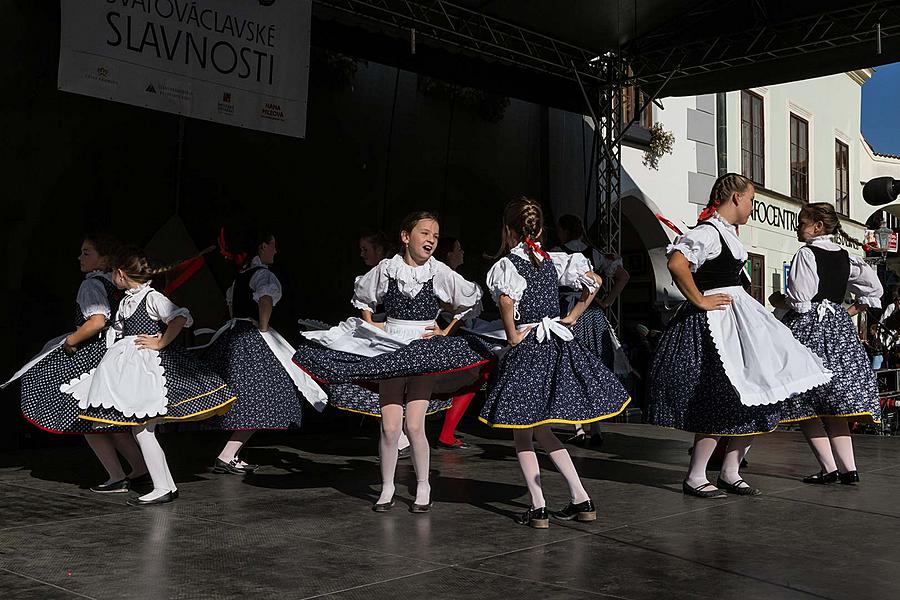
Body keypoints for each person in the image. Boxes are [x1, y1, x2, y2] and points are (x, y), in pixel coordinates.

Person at [294, 212, 494, 513]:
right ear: (405, 237)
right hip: (391, 345)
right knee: (389, 427)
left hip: (424, 349)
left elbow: (467, 298)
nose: (431, 240)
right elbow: (364, 296)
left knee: (414, 426)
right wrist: (372, 325)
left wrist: (444, 328)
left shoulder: (438, 271)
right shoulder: (387, 269)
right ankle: (387, 487)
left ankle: (423, 485)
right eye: (425, 233)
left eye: (436, 236)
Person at [647, 173, 832, 498]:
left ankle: (730, 471)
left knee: (761, 391)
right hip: (718, 323)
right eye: (750, 200)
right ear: (735, 198)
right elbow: (678, 264)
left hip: (738, 319)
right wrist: (700, 299)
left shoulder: (727, 233)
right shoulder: (708, 232)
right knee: (720, 397)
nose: (751, 207)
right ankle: (696, 476)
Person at [479, 197, 630, 528]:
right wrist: (572, 317)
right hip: (554, 345)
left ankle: (539, 507)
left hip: (529, 347)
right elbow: (596, 282)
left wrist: (512, 335)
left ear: (508, 231)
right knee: (544, 432)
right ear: (539, 229)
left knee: (523, 433)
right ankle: (581, 498)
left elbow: (506, 300)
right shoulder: (553, 261)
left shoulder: (509, 265)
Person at [63, 247, 236, 505]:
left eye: (113, 272)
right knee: (141, 430)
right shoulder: (126, 300)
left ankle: (163, 487)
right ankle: (165, 485)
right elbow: (118, 332)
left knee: (143, 429)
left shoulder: (152, 297)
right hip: (129, 367)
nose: (111, 276)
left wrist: (161, 342)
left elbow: (179, 317)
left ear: (121, 274)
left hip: (147, 368)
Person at [2, 235, 148, 493]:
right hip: (114, 353)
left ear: (104, 258)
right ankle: (139, 469)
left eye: (86, 253)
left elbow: (97, 320)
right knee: (109, 420)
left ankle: (116, 476)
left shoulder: (91, 285)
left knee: (85, 416)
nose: (80, 258)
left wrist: (71, 340)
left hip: (94, 354)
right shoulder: (115, 284)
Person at [197, 228, 327, 474]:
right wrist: (264, 328)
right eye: (272, 245)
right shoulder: (262, 275)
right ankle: (227, 454)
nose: (275, 251)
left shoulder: (240, 277)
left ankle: (229, 453)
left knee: (250, 395)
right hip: (250, 337)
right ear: (262, 248)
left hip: (235, 334)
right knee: (265, 394)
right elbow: (265, 300)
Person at [770, 202, 882, 485]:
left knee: (804, 401)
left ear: (817, 226)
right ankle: (849, 469)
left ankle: (829, 468)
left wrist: (779, 301)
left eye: (802, 222)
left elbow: (801, 302)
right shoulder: (847, 256)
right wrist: (849, 311)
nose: (798, 226)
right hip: (838, 329)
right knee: (835, 404)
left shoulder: (806, 254)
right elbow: (874, 290)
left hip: (810, 330)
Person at [552, 214, 632, 448]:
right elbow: (623, 276)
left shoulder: (557, 252)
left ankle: (578, 427)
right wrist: (606, 301)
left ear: (565, 231)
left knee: (571, 367)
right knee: (593, 367)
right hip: (592, 312)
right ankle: (595, 428)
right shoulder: (595, 252)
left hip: (568, 311)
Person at [434, 236, 478, 449]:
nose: (462, 253)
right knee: (476, 372)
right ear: (449, 253)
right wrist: (446, 330)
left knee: (477, 373)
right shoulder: (443, 276)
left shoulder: (453, 278)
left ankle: (446, 430)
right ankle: (446, 431)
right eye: (459, 248)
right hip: (439, 338)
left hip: (449, 335)